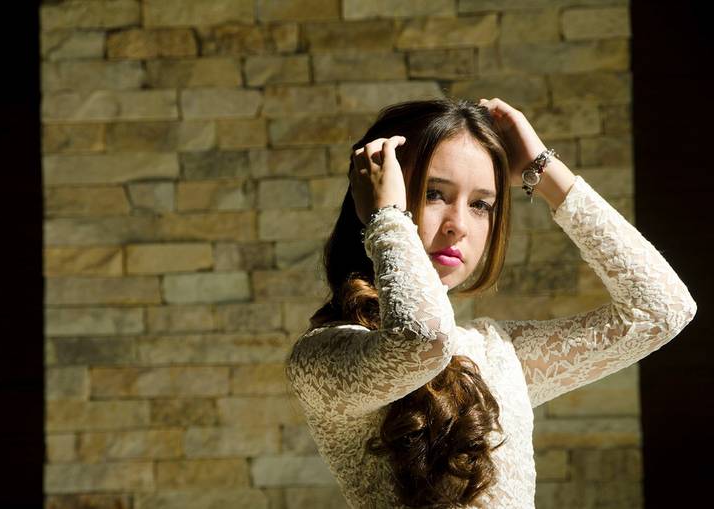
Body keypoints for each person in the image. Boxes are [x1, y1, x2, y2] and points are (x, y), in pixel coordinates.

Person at [284, 98, 696, 508]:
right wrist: (388, 219)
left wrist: (544, 171)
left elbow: (663, 310)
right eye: (433, 193)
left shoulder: (499, 354)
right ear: (373, 194)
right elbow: (422, 341)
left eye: (481, 204)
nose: (459, 226)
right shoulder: (321, 358)